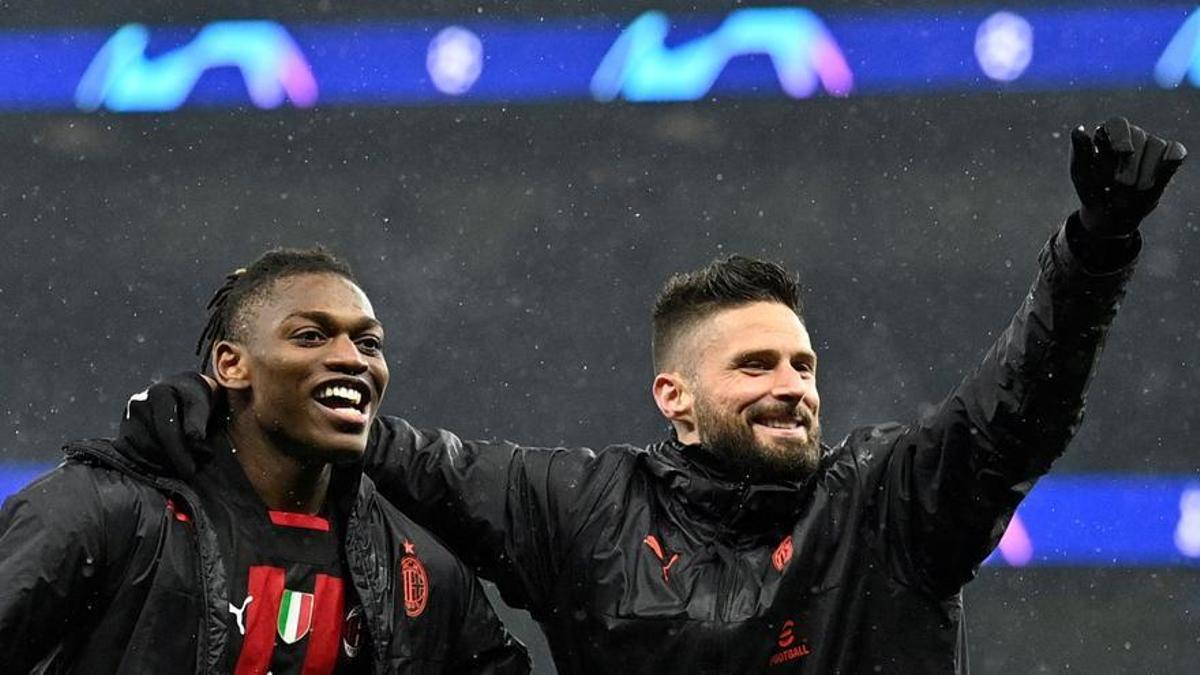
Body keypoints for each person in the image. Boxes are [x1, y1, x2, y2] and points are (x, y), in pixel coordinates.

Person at [120, 118, 1185, 673]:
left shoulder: (884, 503)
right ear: (674, 398)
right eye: (757, 367)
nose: (791, 389)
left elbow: (1019, 410)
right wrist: (217, 404)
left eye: (803, 367)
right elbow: (383, 444)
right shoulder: (583, 510)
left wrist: (1094, 251)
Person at [0, 250, 529, 674]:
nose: (351, 358)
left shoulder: (417, 567)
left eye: (369, 342)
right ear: (231, 364)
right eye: (311, 336)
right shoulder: (101, 512)